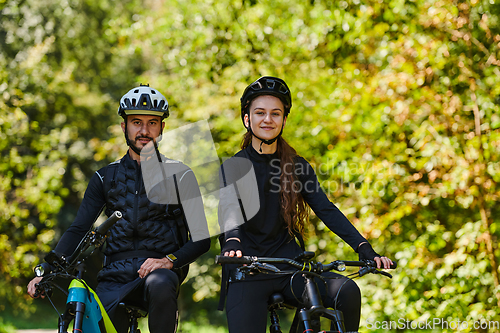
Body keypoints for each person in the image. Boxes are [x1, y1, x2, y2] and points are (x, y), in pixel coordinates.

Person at [27, 84, 211, 333]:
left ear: (162, 127)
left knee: (160, 283)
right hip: (114, 275)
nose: (144, 131)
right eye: (136, 122)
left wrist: (169, 261)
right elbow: (79, 228)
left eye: (152, 123)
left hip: (160, 273)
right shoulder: (105, 177)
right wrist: (45, 270)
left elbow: (202, 239)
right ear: (124, 126)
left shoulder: (180, 175)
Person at [218, 76, 393, 333]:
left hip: (290, 267)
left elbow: (326, 209)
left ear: (284, 120)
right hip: (249, 270)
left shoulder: (297, 166)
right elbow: (229, 208)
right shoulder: (233, 166)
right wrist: (233, 240)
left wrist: (364, 247)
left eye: (275, 113)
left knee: (347, 291)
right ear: (247, 119)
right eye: (260, 113)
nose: (268, 119)